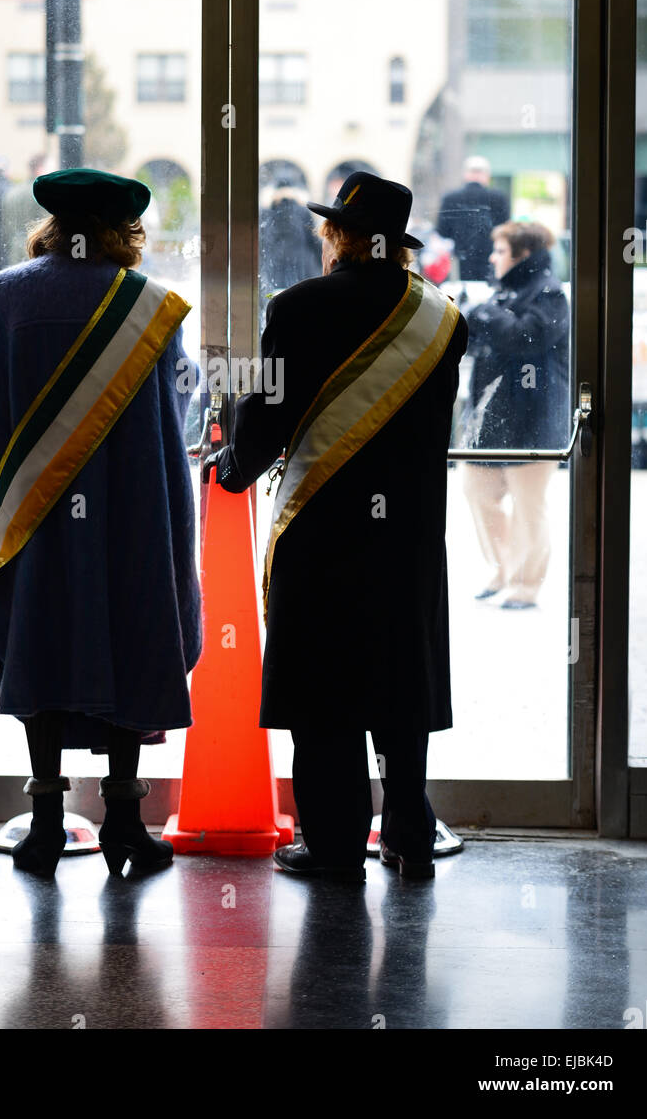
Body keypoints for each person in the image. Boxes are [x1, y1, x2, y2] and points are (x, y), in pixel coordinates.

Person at [204, 171, 468, 881]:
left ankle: (335, 842)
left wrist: (230, 468)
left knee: (325, 691)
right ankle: (409, 832)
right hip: (409, 532)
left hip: (323, 529)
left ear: (338, 236)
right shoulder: (445, 319)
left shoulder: (298, 308)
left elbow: (263, 425)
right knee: (400, 679)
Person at [0, 168, 202, 879]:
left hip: (38, 523)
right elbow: (174, 422)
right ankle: (125, 820)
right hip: (134, 520)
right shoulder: (153, 306)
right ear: (125, 232)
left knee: (41, 647)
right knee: (130, 642)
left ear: (53, 226)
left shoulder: (7, 297)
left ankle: (46, 825)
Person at [461, 220, 570, 610]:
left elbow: (527, 338)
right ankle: (504, 568)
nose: (492, 258)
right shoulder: (501, 293)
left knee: (528, 507)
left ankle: (526, 584)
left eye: (500, 250)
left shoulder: (550, 293)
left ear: (522, 254)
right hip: (492, 419)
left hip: (535, 421)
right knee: (476, 490)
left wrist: (484, 314)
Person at [436, 155, 511, 282]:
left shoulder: (450, 198)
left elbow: (442, 231)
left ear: (465, 174)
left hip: (461, 259)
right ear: (487, 175)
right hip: (490, 258)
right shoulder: (499, 198)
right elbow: (504, 228)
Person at [258, 178, 322, 324]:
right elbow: (315, 242)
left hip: (274, 271)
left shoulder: (266, 212)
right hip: (302, 271)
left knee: (274, 311)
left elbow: (261, 242)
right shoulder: (302, 212)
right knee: (301, 312)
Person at [3, 152, 47, 265]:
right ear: (40, 169)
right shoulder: (43, 192)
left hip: (15, 248)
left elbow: (7, 226)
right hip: (35, 249)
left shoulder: (12, 192)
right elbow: (47, 225)